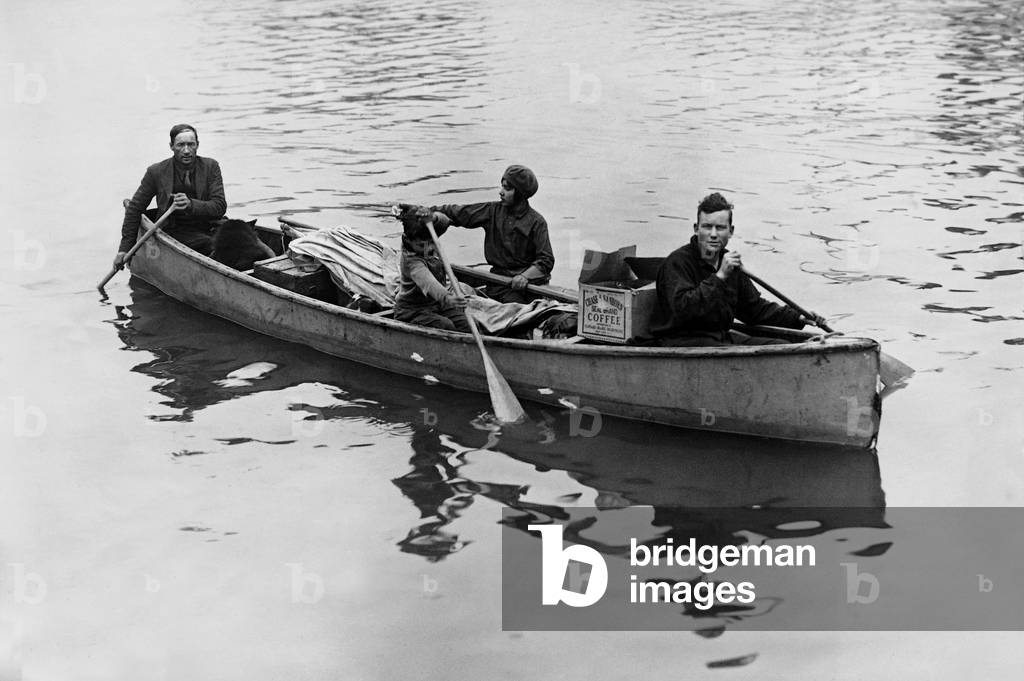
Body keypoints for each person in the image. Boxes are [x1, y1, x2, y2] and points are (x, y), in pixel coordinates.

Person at [649, 192, 823, 346]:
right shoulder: (677, 263)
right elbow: (685, 310)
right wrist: (720, 277)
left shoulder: (729, 263)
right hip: (681, 342)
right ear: (696, 229)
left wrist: (798, 317)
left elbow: (755, 310)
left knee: (780, 345)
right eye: (707, 226)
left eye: (721, 227)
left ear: (731, 231)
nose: (714, 234)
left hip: (718, 339)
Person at [429, 165, 553, 304]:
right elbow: (460, 213)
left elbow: (546, 260)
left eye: (507, 188)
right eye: (502, 187)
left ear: (520, 194)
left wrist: (524, 276)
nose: (501, 192)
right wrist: (429, 213)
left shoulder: (537, 222)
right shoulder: (492, 211)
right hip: (497, 281)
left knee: (514, 312)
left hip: (526, 288)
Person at [113, 124, 226, 270]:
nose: (186, 151)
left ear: (197, 145)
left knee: (242, 231)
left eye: (191, 144)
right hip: (175, 231)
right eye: (180, 145)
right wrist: (124, 249)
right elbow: (135, 210)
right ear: (171, 146)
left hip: (208, 225)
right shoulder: (156, 172)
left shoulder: (211, 166)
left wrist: (191, 204)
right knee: (211, 244)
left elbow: (220, 206)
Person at [393, 206, 471, 333]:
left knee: (468, 325)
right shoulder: (411, 262)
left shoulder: (428, 235)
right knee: (446, 326)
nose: (428, 248)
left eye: (430, 242)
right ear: (407, 240)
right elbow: (428, 283)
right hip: (412, 311)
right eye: (421, 245)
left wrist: (433, 217)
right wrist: (447, 298)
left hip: (437, 305)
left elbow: (445, 221)